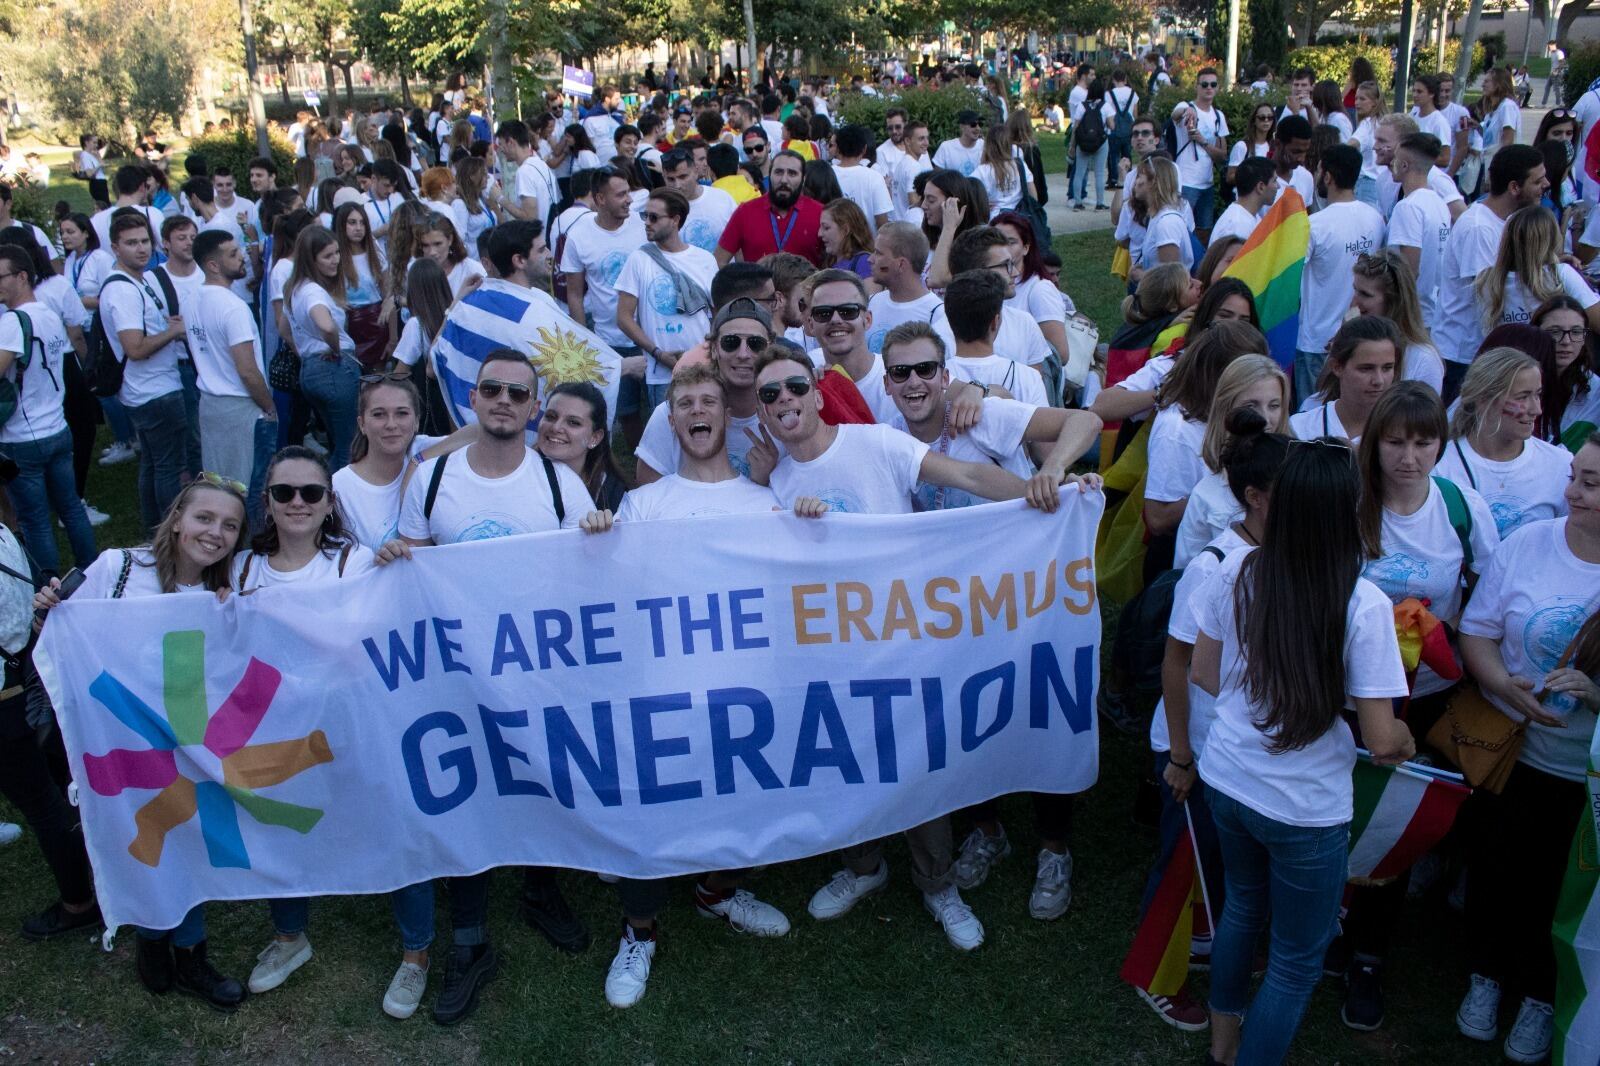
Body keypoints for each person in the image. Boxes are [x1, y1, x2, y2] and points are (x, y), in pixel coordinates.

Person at [377, 349, 590, 1025]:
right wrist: (395, 557)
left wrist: (602, 532)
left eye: (517, 392)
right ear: (474, 398)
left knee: (540, 778)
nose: (503, 399)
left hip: (538, 665)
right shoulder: (432, 479)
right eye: (492, 388)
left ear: (534, 408)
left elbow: (595, 574)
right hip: (458, 667)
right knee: (466, 792)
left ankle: (540, 888)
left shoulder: (559, 484)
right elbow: (413, 562)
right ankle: (470, 941)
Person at [1193, 435, 1414, 1065]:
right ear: (1350, 513)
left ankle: (1222, 1044)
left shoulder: (1238, 567)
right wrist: (1404, 736)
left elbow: (1205, 673)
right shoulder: (1362, 606)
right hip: (1303, 808)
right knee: (1294, 962)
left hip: (1229, 778)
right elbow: (1380, 738)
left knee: (1242, 906)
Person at [34, 475, 252, 1010]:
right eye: (204, 518)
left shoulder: (219, 595)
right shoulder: (115, 567)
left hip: (185, 742)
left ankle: (191, 953)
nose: (214, 533)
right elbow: (59, 634)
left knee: (189, 839)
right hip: (114, 734)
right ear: (177, 517)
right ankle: (152, 939)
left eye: (229, 526)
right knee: (139, 835)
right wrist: (49, 606)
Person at [1137, 404, 1290, 1030]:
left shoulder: (1274, 554)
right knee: (1181, 864)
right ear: (1255, 498)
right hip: (1193, 745)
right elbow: (1176, 666)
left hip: (1230, 749)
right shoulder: (1216, 566)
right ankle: (1156, 974)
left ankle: (1208, 946)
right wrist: (1179, 756)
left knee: (1218, 862)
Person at [1453, 434, 1600, 1064]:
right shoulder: (1528, 543)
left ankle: (1542, 995)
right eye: (1575, 476)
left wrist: (1595, 695)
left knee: (1558, 890)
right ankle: (1486, 976)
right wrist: (1498, 683)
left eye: (1591, 484)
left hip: (1586, 777)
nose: (1570, 492)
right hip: (1511, 754)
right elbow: (1477, 631)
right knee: (1495, 869)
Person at [0, 246, 97, 575]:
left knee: (34, 519)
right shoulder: (49, 314)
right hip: (57, 426)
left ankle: (48, 584)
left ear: (22, 276)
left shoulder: (13, 322)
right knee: (71, 508)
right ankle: (91, 570)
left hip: (22, 436)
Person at [100, 213, 188, 531]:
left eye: (144, 241)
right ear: (115, 248)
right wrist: (173, 331)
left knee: (153, 464)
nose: (141, 249)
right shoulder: (122, 290)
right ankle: (169, 532)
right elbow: (134, 348)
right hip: (154, 392)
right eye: (131, 243)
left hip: (151, 389)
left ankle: (153, 531)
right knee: (169, 467)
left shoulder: (138, 280)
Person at [1435, 346, 1573, 536]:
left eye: (1538, 395)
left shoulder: (1561, 464)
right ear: (1483, 399)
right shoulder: (1440, 466)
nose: (1537, 409)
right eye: (1522, 397)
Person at [1173, 354, 1290, 568]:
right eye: (1251, 405)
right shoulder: (1207, 493)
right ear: (1226, 408)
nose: (1264, 418)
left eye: (1274, 405)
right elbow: (1185, 572)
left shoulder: (1301, 473)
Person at [1294, 145, 1388, 400]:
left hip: (1316, 341)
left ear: (1327, 176)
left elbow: (1291, 282)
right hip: (1358, 334)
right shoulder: (1375, 218)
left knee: (1312, 417)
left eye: (1318, 170)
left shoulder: (1314, 225)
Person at [186, 230, 275, 494]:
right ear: (213, 265)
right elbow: (247, 370)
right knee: (250, 487)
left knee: (218, 482)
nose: (243, 257)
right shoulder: (233, 307)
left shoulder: (191, 299)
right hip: (241, 406)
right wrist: (269, 407)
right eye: (233, 254)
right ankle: (250, 536)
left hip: (210, 402)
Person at [615, 187, 717, 412]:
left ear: (675, 220)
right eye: (645, 216)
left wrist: (710, 350)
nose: (646, 222)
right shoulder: (639, 259)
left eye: (654, 217)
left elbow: (717, 313)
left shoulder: (705, 260)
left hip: (703, 366)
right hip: (661, 372)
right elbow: (623, 317)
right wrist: (657, 353)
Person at [932, 237, 1052, 402]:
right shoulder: (939, 335)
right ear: (977, 271)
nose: (1015, 272)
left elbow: (1034, 394)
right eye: (1005, 265)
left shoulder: (1025, 322)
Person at [284, 226, 358, 471]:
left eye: (337, 252)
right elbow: (327, 326)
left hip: (311, 369)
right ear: (310, 259)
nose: (336, 259)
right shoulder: (313, 291)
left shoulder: (294, 289)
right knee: (350, 446)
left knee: (338, 443)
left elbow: (284, 330)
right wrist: (335, 348)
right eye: (328, 255)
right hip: (333, 368)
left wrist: (308, 355)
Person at [1478, 206, 1600, 335]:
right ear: (1551, 240)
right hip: (1551, 353)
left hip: (1507, 353)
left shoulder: (1487, 279)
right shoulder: (1560, 274)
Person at [1291, 314, 1400, 444]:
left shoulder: (1407, 431)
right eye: (1366, 368)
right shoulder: (1300, 430)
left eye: (1387, 368)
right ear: (1337, 367)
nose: (1379, 380)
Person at [1386, 133, 1452, 336]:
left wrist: (1393, 311)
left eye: (1395, 159)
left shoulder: (1408, 207)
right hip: (1432, 308)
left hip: (1410, 315)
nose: (1391, 164)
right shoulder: (1439, 203)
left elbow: (1408, 269)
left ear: (1404, 165)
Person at [716, 150, 824, 266]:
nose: (784, 180)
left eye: (792, 173)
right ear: (769, 174)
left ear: (803, 179)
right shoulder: (745, 212)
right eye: (778, 172)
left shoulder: (820, 214)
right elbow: (719, 261)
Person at [1531, 295, 1600, 448]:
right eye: (1555, 332)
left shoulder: (1596, 393)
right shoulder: (1513, 383)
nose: (1566, 341)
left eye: (1576, 332)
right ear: (1535, 333)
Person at [1172, 68, 1230, 237]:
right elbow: (1175, 115)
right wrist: (1185, 110)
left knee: (1204, 230)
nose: (1209, 88)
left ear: (1218, 87)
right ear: (1197, 87)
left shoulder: (1218, 116)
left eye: (1213, 84)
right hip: (1186, 182)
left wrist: (1203, 141)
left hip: (1207, 183)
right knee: (1181, 229)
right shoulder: (1187, 107)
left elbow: (1222, 155)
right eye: (1204, 84)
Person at [659, 147, 737, 253]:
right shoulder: (660, 210)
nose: (677, 185)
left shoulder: (722, 198)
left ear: (696, 172)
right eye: (670, 179)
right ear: (663, 177)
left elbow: (740, 240)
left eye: (683, 177)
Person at [496, 120, 560, 232]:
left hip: (540, 241)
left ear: (510, 142)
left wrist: (499, 198)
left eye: (501, 144)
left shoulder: (524, 172)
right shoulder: (540, 162)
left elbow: (530, 218)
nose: (500, 150)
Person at [1137, 156, 1195, 276]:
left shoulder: (1167, 223)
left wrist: (1140, 276)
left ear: (1153, 182)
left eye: (1139, 176)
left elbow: (1170, 279)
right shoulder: (1157, 217)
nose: (1135, 182)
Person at [829, 124, 891, 230]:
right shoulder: (875, 177)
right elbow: (882, 222)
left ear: (837, 148)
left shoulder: (827, 173)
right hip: (867, 245)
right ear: (864, 149)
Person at [1211, 157, 1276, 248]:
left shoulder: (1251, 216)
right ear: (1261, 187)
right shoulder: (1237, 226)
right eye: (1274, 181)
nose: (1278, 186)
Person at [818, 198, 876, 285]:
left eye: (826, 228)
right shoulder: (830, 261)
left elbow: (870, 297)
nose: (819, 234)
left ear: (845, 230)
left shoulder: (865, 263)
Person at [1225, 103, 1276, 191]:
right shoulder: (1242, 146)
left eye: (1270, 117)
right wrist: (1252, 174)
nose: (1266, 120)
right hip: (1245, 197)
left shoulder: (1273, 146)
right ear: (1254, 120)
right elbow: (1230, 177)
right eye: (1262, 117)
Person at [1270, 115, 1316, 207]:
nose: (1302, 159)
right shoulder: (1258, 180)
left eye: (1305, 152)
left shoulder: (1306, 177)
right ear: (1277, 144)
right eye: (1296, 152)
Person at [932, 110, 985, 176]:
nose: (978, 128)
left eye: (980, 124)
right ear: (962, 127)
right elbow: (936, 177)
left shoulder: (985, 146)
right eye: (973, 125)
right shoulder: (946, 147)